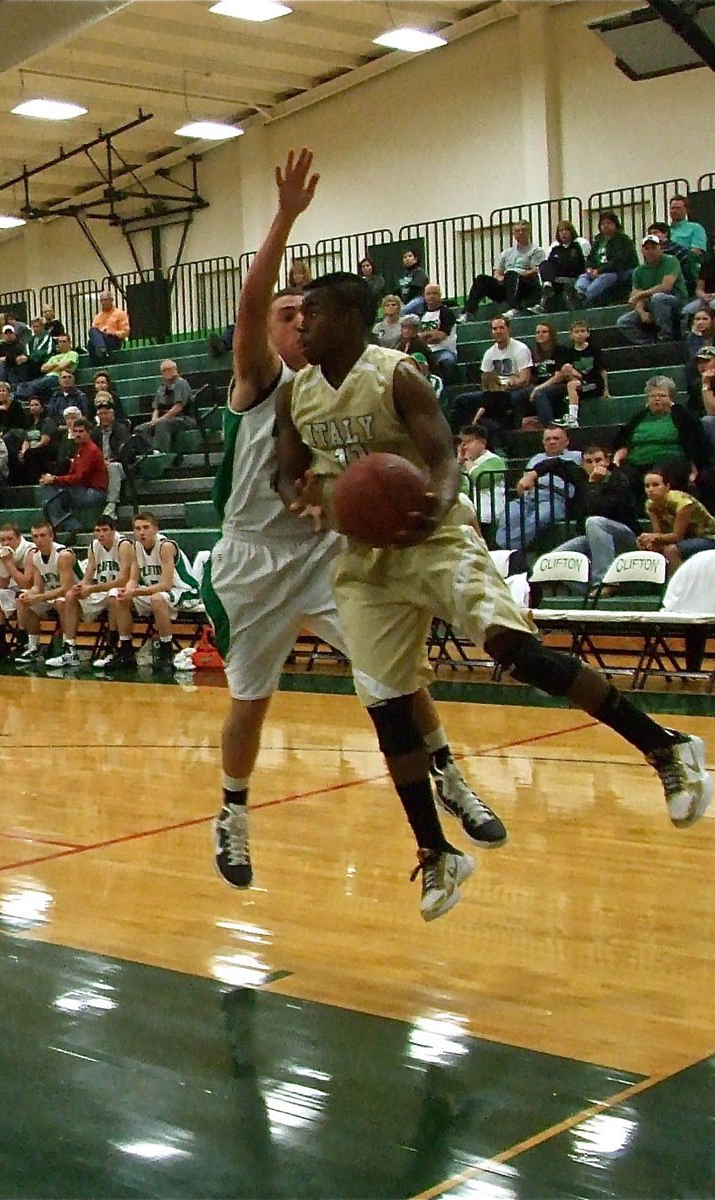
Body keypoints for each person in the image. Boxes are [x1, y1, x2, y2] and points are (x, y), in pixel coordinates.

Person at [276, 270, 711, 921]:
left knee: (515, 650)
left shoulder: (396, 375)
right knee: (386, 704)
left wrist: (434, 503)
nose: (299, 325)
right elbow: (286, 472)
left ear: (348, 318)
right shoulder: (297, 397)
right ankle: (437, 853)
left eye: (310, 313)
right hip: (364, 558)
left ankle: (663, 746)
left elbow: (444, 458)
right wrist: (303, 501)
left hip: (434, 536)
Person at [205, 149, 505, 900]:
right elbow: (251, 307)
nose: (296, 320)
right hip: (252, 558)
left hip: (327, 550)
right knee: (249, 700)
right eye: (287, 313)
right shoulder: (262, 381)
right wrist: (282, 218)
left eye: (304, 311)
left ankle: (445, 775)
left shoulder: (344, 385)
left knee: (392, 679)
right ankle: (232, 812)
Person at [111, 510, 198, 673]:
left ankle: (166, 651)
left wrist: (135, 593)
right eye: (137, 528)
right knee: (118, 597)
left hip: (183, 591)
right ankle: (126, 649)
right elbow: (134, 579)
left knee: (158, 599)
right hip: (155, 592)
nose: (141, 532)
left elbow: (166, 585)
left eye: (146, 527)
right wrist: (128, 591)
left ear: (155, 529)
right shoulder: (136, 546)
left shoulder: (166, 546)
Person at [46, 514, 134, 669]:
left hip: (123, 590)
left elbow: (124, 580)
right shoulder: (94, 545)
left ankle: (112, 648)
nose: (101, 534)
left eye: (105, 530)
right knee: (69, 596)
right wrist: (80, 586)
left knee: (114, 595)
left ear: (114, 531)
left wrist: (92, 588)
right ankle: (70, 649)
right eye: (98, 530)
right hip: (101, 589)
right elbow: (88, 575)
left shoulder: (124, 544)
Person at [550, 445, 639, 593]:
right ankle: (589, 592)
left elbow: (597, 509)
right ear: (583, 465)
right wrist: (532, 474)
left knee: (594, 521)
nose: (594, 465)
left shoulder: (619, 480)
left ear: (608, 461)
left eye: (598, 460)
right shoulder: (581, 478)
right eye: (589, 462)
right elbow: (555, 463)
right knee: (554, 562)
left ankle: (604, 582)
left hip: (624, 536)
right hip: (593, 537)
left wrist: (593, 485)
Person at [612, 375, 709, 500]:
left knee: (658, 476)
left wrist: (694, 469)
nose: (657, 399)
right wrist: (618, 455)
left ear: (671, 398)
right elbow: (623, 441)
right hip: (636, 463)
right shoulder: (639, 417)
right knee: (622, 478)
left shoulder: (684, 417)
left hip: (670, 463)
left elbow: (696, 444)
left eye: (662, 396)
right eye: (652, 396)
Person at [496, 425, 582, 551]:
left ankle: (506, 549)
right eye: (548, 439)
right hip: (530, 496)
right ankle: (508, 548)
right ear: (543, 442)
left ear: (566, 442)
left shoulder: (577, 457)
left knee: (539, 517)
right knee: (509, 513)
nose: (552, 442)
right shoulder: (535, 459)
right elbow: (524, 482)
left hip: (556, 498)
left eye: (556, 438)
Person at [14, 520, 83, 664]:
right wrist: (29, 595)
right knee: (24, 600)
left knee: (61, 602)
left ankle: (69, 649)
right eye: (35, 536)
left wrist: (38, 597)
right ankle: (33, 646)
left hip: (77, 595)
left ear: (51, 536)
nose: (39, 540)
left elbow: (66, 588)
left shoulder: (63, 555)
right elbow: (38, 587)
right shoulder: (35, 556)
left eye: (42, 535)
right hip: (52, 595)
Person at [450, 315, 533, 432]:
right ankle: (462, 434)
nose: (498, 331)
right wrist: (495, 387)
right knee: (461, 400)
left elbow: (524, 379)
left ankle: (511, 433)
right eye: (495, 329)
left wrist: (511, 383)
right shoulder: (489, 353)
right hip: (494, 391)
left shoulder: (521, 349)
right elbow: (485, 380)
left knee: (509, 399)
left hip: (514, 390)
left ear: (509, 330)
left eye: (501, 328)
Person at [639, 464, 715, 575]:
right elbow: (658, 532)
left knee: (671, 550)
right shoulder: (650, 505)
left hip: (708, 537)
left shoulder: (682, 502)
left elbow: (677, 536)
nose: (650, 490)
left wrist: (654, 537)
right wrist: (648, 540)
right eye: (647, 486)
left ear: (667, 486)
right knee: (647, 545)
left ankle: (679, 587)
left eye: (655, 485)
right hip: (683, 540)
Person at [463, 221, 545, 319]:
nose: (521, 233)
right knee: (481, 279)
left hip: (526, 285)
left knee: (511, 274)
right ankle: (468, 312)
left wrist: (517, 273)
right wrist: (500, 278)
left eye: (523, 230)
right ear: (513, 233)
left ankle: (515, 308)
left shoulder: (536, 250)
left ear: (529, 232)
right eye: (517, 231)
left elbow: (535, 270)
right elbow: (497, 272)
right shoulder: (506, 253)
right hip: (507, 284)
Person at [617, 235, 687, 345]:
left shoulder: (671, 261)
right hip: (651, 305)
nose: (650, 251)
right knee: (624, 322)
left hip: (676, 302)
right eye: (647, 248)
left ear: (661, 248)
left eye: (653, 247)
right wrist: (641, 313)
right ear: (642, 251)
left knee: (658, 297)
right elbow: (635, 297)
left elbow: (666, 287)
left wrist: (640, 295)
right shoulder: (639, 270)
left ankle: (666, 336)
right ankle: (649, 343)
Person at [39, 417, 107, 531]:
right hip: (83, 489)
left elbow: (79, 478)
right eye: (75, 431)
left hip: (93, 492)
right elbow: (73, 475)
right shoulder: (81, 449)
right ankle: (70, 525)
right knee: (50, 492)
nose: (77, 434)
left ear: (89, 432)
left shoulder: (91, 450)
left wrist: (54, 479)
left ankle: (70, 525)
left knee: (51, 493)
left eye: (81, 431)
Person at [0, 523, 36, 659]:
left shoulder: (30, 550)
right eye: (2, 540)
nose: (6, 543)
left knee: (21, 596)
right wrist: (3, 564)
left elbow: (26, 583)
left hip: (33, 591)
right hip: (14, 590)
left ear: (18, 538)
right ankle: (1, 642)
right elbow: (1, 584)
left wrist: (9, 564)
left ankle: (22, 639)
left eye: (9, 539)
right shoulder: (3, 553)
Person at [573, 212, 637, 307]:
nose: (605, 226)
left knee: (605, 278)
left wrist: (599, 271)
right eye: (603, 224)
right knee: (583, 277)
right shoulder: (598, 241)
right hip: (597, 271)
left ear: (615, 224)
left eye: (609, 223)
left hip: (617, 271)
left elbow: (619, 261)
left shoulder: (623, 240)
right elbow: (590, 258)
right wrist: (589, 269)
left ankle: (586, 298)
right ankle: (578, 295)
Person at [134, 360, 197, 452]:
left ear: (175, 370)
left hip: (184, 418)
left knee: (162, 423)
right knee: (140, 429)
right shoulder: (161, 388)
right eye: (164, 370)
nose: (167, 372)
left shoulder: (181, 383)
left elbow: (178, 407)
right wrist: (153, 421)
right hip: (166, 419)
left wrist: (160, 419)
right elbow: (156, 409)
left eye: (169, 369)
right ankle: (151, 451)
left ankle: (161, 451)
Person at [555, 319, 609, 428]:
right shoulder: (568, 351)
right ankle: (572, 418)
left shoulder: (594, 349)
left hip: (594, 385)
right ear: (571, 335)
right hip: (579, 384)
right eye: (576, 332)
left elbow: (602, 371)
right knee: (567, 370)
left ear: (588, 333)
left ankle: (573, 419)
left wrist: (606, 390)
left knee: (571, 384)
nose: (579, 334)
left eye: (582, 331)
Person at [457, 424, 507, 526]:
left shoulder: (495, 461)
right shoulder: (463, 465)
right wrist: (459, 464)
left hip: (490, 516)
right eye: (463, 443)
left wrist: (468, 460)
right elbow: (460, 488)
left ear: (483, 443)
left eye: (469, 442)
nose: (465, 447)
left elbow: (482, 481)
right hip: (468, 515)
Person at [534, 220, 588, 312]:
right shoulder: (556, 249)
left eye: (566, 230)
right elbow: (550, 263)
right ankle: (547, 287)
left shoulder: (576, 247)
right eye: (561, 231)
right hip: (556, 278)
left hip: (571, 276)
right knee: (544, 264)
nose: (563, 233)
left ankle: (547, 292)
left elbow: (577, 264)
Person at [91, 397, 132, 517]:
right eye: (100, 414)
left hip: (121, 465)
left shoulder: (121, 429)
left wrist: (111, 460)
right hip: (100, 466)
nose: (103, 416)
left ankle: (112, 504)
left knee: (113, 467)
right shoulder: (95, 432)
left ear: (112, 413)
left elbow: (126, 452)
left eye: (105, 413)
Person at [684, 307, 715, 410]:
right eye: (697, 319)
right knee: (689, 367)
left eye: (705, 319)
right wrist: (697, 337)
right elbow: (695, 357)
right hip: (702, 372)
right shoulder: (693, 337)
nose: (700, 322)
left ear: (713, 321)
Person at [416, 284, 458, 383]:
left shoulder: (446, 313)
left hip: (443, 351)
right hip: (425, 352)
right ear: (424, 296)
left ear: (440, 295)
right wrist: (429, 334)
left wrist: (424, 336)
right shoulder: (421, 314)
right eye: (428, 294)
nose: (431, 296)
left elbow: (439, 336)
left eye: (434, 293)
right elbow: (417, 337)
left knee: (447, 361)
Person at [17, 333, 79, 399]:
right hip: (47, 377)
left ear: (69, 343)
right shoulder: (54, 357)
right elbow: (43, 368)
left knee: (37, 385)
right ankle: (21, 395)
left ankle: (19, 396)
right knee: (23, 385)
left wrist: (51, 368)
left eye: (64, 341)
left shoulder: (73, 354)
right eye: (60, 342)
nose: (62, 343)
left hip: (58, 378)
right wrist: (57, 365)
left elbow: (63, 366)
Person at [668, 195, 708, 279]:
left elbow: (696, 252)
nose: (674, 211)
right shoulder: (666, 230)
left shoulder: (695, 228)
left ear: (686, 210)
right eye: (672, 208)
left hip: (686, 268)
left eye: (678, 208)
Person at [87, 291, 130, 363]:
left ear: (111, 300)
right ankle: (101, 350)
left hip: (114, 339)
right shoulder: (98, 316)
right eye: (101, 300)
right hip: (101, 339)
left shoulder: (120, 314)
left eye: (105, 300)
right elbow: (94, 333)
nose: (103, 302)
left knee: (92, 341)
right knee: (92, 335)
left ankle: (101, 350)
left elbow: (126, 332)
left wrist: (113, 333)